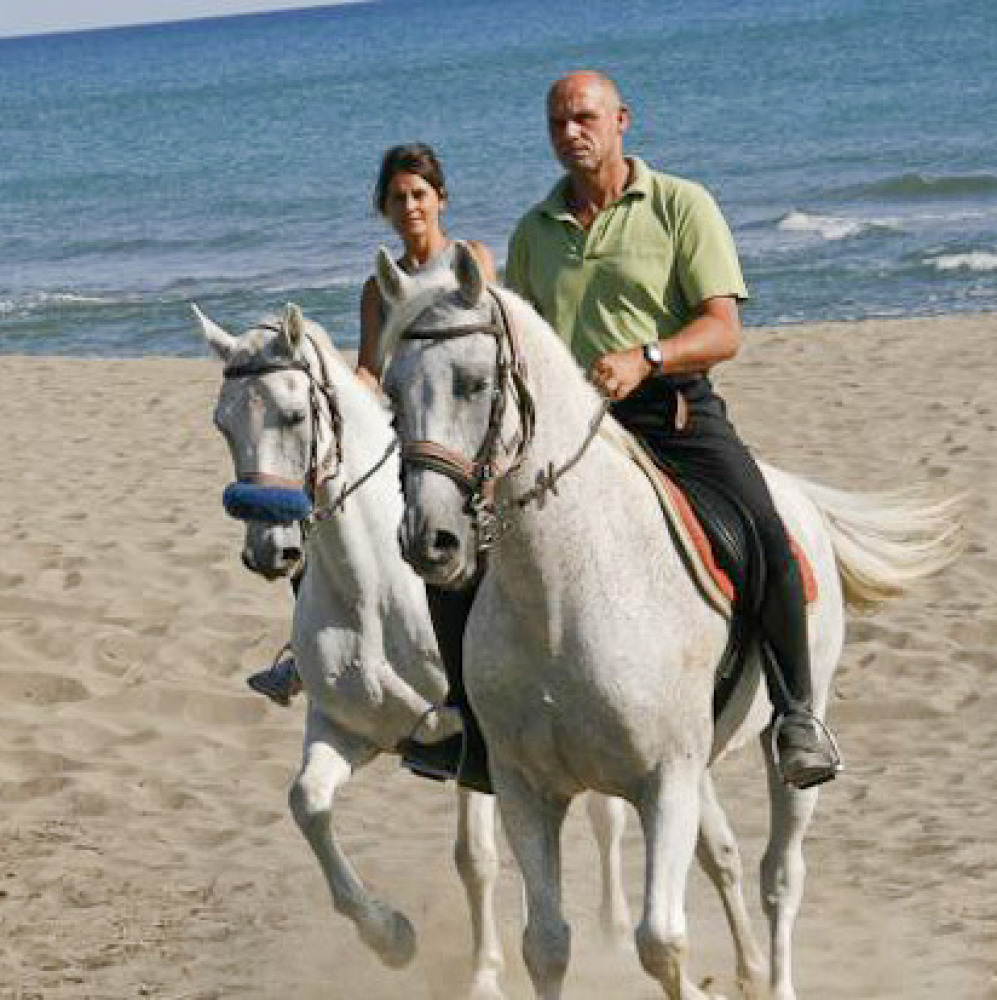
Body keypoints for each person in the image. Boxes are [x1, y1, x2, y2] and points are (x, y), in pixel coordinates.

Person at [503, 70, 839, 790]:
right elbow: (522, 345)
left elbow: (723, 330)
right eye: (557, 122)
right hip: (574, 432)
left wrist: (647, 357)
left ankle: (795, 715)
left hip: (671, 415)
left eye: (584, 118)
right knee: (471, 542)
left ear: (621, 119)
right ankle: (468, 721)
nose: (570, 133)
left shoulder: (681, 205)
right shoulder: (532, 232)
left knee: (765, 533)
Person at [247, 143, 496, 793]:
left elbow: (483, 350)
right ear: (382, 209)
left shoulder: (469, 260)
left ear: (440, 197)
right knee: (322, 508)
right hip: (398, 429)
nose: (409, 206)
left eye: (419, 193)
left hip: (458, 432)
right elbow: (369, 369)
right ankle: (300, 655)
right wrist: (332, 393)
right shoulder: (376, 287)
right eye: (396, 198)